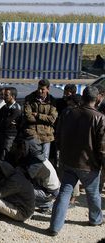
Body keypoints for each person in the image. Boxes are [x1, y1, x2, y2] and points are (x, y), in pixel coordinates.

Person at [48, 86, 105, 236]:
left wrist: (62, 151)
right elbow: (102, 146)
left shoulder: (68, 112)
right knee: (93, 195)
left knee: (64, 193)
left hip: (68, 161)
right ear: (97, 98)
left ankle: (55, 226)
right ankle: (95, 219)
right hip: (89, 164)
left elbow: (58, 134)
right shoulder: (99, 117)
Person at [9, 135, 60, 214]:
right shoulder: (36, 157)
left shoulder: (37, 163)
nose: (22, 149)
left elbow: (23, 178)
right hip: (44, 187)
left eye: (23, 147)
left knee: (20, 188)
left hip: (49, 192)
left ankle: (46, 205)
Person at [23, 79, 58, 159]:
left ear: (48, 89)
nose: (40, 91)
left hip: (46, 135)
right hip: (33, 134)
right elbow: (28, 117)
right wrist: (45, 118)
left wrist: (37, 115)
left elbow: (52, 119)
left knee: (45, 160)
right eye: (38, 88)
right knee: (32, 159)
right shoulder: (29, 98)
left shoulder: (52, 101)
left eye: (42, 89)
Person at [0, 87, 22, 161]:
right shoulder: (4, 107)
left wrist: (4, 121)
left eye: (6, 95)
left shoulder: (16, 109)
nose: (4, 97)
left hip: (10, 136)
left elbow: (6, 122)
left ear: (12, 96)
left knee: (5, 156)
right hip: (1, 133)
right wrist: (4, 121)